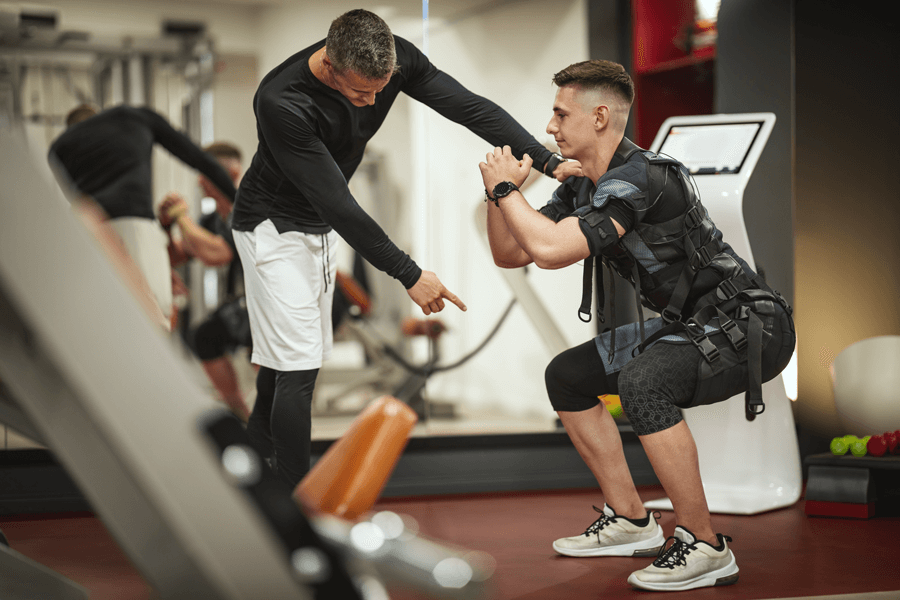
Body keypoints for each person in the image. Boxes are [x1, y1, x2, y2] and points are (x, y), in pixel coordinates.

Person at [231, 8, 581, 489]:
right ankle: (294, 512)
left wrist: (548, 160)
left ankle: (250, 480)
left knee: (283, 363)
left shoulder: (395, 61)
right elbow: (338, 203)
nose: (371, 103)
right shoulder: (281, 100)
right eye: (359, 92)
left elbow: (470, 107)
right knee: (298, 369)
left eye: (380, 90)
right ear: (329, 66)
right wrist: (409, 273)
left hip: (315, 228)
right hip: (272, 226)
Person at [479, 60, 794, 592]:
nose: (550, 127)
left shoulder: (640, 178)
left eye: (560, 113)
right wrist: (500, 192)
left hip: (749, 324)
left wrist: (510, 193)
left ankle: (704, 545)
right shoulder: (584, 185)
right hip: (691, 324)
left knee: (644, 382)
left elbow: (552, 251)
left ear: (599, 117)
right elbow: (511, 253)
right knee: (568, 376)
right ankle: (630, 519)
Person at [48, 104, 238, 329]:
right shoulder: (133, 117)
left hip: (89, 234)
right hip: (135, 224)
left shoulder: (58, 148)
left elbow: (76, 200)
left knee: (104, 324)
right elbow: (201, 160)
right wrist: (240, 203)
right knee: (155, 321)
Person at [158, 142, 253, 422]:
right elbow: (178, 254)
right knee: (206, 337)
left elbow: (216, 254)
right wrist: (167, 224)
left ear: (234, 173)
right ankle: (241, 414)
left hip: (274, 303)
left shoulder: (247, 210)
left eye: (212, 172)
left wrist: (181, 218)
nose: (202, 180)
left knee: (259, 350)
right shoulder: (214, 219)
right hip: (245, 304)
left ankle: (267, 425)